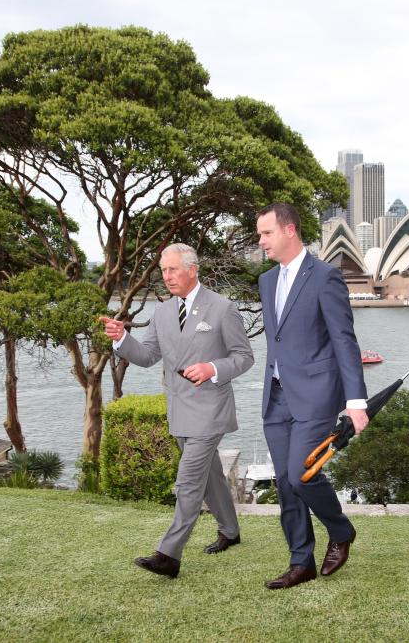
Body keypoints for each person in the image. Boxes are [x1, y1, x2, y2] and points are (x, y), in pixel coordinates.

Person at [100, 243, 254, 579]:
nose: (166, 276)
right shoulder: (163, 312)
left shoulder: (222, 308)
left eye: (172, 270)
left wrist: (212, 368)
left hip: (210, 409)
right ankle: (230, 530)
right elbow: (147, 356)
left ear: (192, 269)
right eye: (163, 270)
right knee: (209, 474)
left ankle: (169, 554)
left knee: (187, 482)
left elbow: (244, 357)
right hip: (180, 410)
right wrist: (122, 338)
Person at [255, 202, 369, 590]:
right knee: (285, 485)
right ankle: (299, 561)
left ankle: (341, 530)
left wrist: (356, 400)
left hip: (317, 396)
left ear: (289, 231)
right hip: (276, 397)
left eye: (266, 233)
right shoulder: (266, 281)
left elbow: (344, 340)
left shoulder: (325, 277)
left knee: (301, 476)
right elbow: (279, 340)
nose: (261, 241)